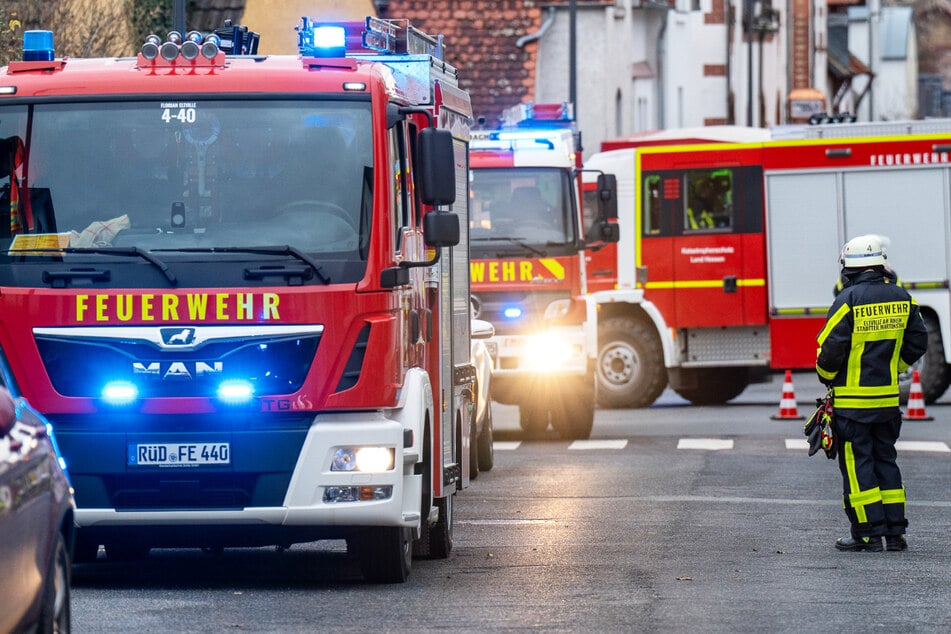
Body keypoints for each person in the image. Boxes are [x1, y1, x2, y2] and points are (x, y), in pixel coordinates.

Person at [815, 234, 928, 552]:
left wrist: (827, 378)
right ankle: (894, 534)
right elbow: (918, 341)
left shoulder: (847, 301)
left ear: (849, 269)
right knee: (886, 460)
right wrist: (893, 367)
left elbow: (830, 350)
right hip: (888, 401)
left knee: (858, 464)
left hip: (852, 404)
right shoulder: (903, 298)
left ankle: (866, 533)